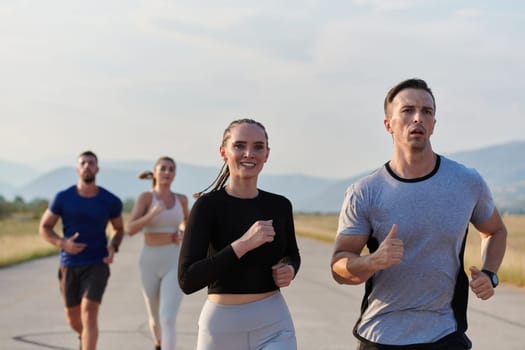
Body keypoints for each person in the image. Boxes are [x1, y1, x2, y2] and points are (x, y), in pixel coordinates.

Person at [331, 78, 508, 350]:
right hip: (380, 333)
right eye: (407, 110)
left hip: (445, 333)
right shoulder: (365, 192)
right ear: (388, 124)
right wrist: (372, 261)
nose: (418, 118)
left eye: (427, 112)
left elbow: (495, 230)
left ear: (434, 124)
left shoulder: (466, 181)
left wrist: (490, 274)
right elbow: (340, 267)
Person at [178, 118, 301, 350]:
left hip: (274, 323)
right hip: (221, 329)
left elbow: (292, 254)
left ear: (267, 154)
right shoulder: (207, 207)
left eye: (258, 146)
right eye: (239, 145)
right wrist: (243, 244)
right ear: (223, 152)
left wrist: (290, 269)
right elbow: (187, 279)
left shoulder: (280, 205)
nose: (249, 153)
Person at [39, 151, 124, 350]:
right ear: (78, 169)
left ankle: (88, 343)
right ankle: (85, 339)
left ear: (97, 169)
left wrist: (113, 246)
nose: (87, 166)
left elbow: (119, 228)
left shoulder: (110, 200)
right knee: (74, 320)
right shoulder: (62, 198)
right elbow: (44, 227)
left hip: (97, 263)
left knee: (89, 311)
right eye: (83, 163)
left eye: (91, 163)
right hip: (69, 264)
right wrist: (63, 244)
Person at [127, 156, 189, 350]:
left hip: (174, 261)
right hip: (149, 262)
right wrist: (152, 214)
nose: (167, 173)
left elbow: (186, 223)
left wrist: (182, 231)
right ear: (155, 173)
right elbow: (130, 229)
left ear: (175, 174)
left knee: (168, 318)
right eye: (163, 168)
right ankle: (158, 344)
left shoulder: (181, 199)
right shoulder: (146, 198)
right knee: (155, 320)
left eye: (171, 169)